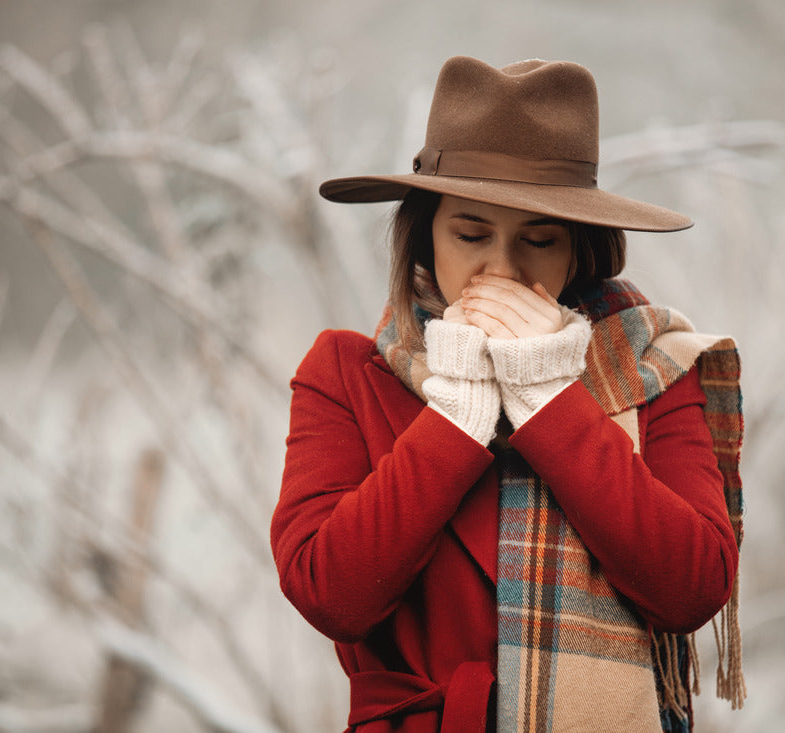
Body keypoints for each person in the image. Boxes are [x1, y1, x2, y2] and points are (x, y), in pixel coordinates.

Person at [271, 56, 745, 733]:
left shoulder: (653, 367)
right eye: (470, 233)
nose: (502, 269)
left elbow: (691, 586)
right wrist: (458, 416)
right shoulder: (345, 373)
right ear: (425, 233)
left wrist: (551, 400)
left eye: (539, 240)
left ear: (579, 250)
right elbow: (331, 593)